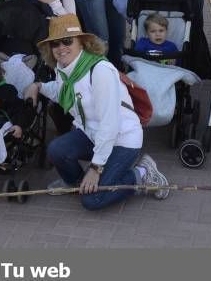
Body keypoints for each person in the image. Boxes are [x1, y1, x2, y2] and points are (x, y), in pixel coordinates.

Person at [23, 14, 170, 209]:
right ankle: (77, 184)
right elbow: (62, 92)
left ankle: (141, 173)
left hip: (122, 139)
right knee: (56, 150)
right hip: (92, 134)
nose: (61, 48)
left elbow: (110, 125)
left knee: (93, 201)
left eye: (67, 41)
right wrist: (38, 86)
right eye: (55, 44)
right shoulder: (64, 68)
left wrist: (95, 168)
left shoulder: (100, 71)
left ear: (82, 43)